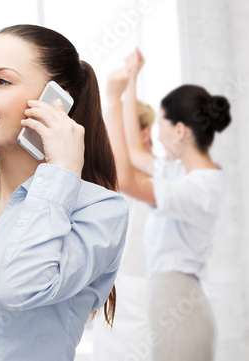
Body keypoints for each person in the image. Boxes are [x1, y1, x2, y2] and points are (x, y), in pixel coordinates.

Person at [0, 24, 129, 361]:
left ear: (57, 101)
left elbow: (19, 288)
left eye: (1, 81)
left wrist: (61, 171)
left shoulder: (100, 211)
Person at [106, 49, 231, 361]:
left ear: (180, 130)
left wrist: (112, 101)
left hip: (179, 302)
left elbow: (126, 179)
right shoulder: (177, 172)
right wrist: (132, 77)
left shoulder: (200, 188)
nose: (158, 138)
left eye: (161, 127)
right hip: (167, 296)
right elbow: (134, 150)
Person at [93, 49, 154, 361]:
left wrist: (123, 91)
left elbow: (128, 152)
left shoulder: (157, 175)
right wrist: (130, 81)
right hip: (115, 302)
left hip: (147, 303)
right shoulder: (115, 180)